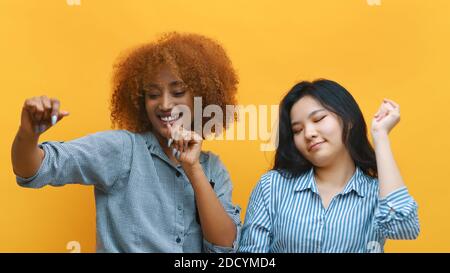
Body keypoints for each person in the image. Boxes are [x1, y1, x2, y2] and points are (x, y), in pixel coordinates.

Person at [11, 32, 241, 253]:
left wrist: (193, 169)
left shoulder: (212, 169)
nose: (165, 104)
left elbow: (225, 246)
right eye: (152, 94)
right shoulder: (123, 149)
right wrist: (28, 134)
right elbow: (34, 170)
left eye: (178, 92)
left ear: (200, 98)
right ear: (140, 101)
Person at [238, 79, 419, 253]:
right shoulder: (272, 186)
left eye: (318, 119)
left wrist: (380, 136)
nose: (308, 133)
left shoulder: (376, 194)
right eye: (297, 130)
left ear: (348, 119)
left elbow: (404, 228)